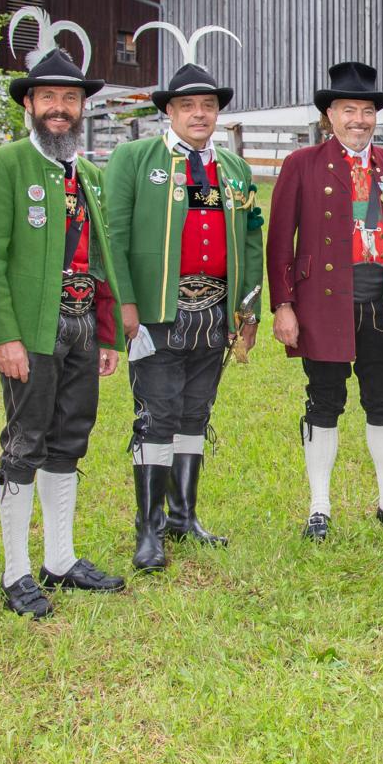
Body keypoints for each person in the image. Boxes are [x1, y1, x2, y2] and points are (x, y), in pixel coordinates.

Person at [0, 44, 127, 618]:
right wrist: (2, 336)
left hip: (82, 324)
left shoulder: (90, 175)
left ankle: (60, 559)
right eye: (49, 97)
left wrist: (107, 333)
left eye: (71, 98)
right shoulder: (2, 165)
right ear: (29, 104)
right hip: (31, 330)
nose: (60, 107)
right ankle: (16, 572)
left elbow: (102, 259)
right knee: (25, 442)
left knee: (70, 438)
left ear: (83, 108)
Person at [104, 31, 262, 571]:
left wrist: (247, 311)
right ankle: (148, 530)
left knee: (195, 413)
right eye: (188, 105)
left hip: (213, 313)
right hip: (158, 313)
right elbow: (113, 236)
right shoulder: (135, 158)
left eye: (208, 105)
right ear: (169, 111)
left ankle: (183, 516)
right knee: (157, 416)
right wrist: (126, 305)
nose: (199, 114)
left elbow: (250, 241)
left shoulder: (233, 170)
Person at [269, 61, 383, 541]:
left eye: (367, 111)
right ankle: (319, 507)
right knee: (324, 401)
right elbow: (280, 242)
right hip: (324, 305)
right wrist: (283, 304)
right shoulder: (302, 165)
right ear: (330, 115)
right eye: (348, 110)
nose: (359, 121)